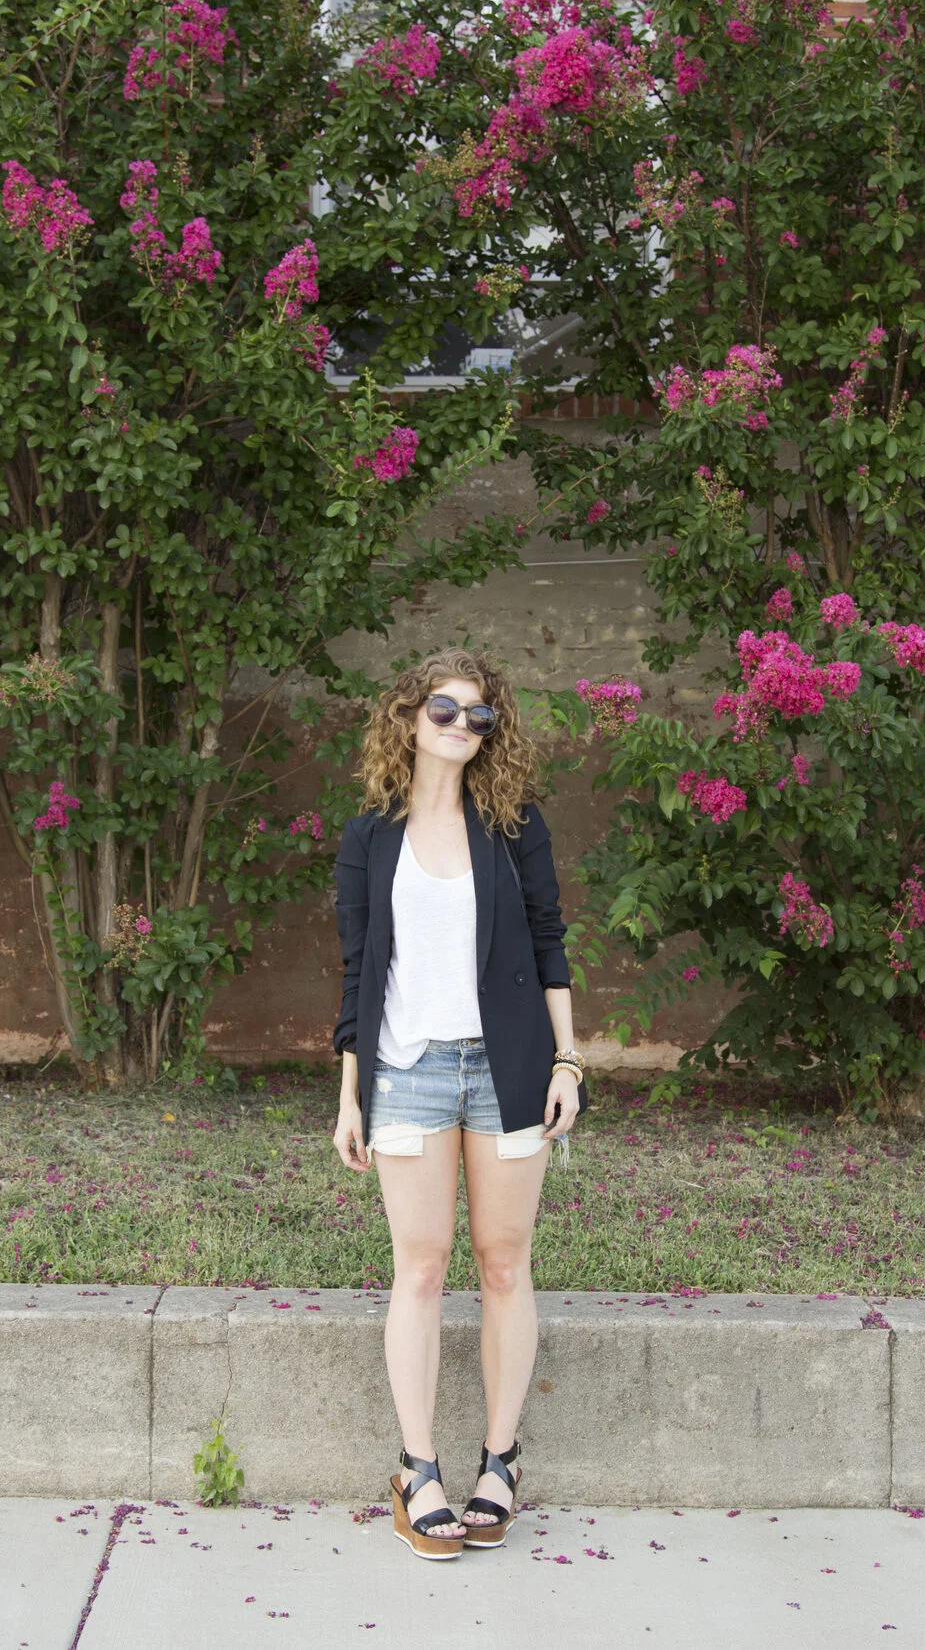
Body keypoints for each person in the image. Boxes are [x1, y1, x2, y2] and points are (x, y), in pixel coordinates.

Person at [330, 649, 585, 1561]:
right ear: (408, 717)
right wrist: (350, 1092)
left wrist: (567, 1058)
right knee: (423, 1266)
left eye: (478, 717)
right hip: (407, 1070)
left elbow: (551, 942)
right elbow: (362, 972)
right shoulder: (370, 837)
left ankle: (500, 1463)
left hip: (509, 1067)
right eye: (445, 709)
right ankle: (417, 1469)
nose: (461, 727)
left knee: (505, 1261)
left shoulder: (513, 827)